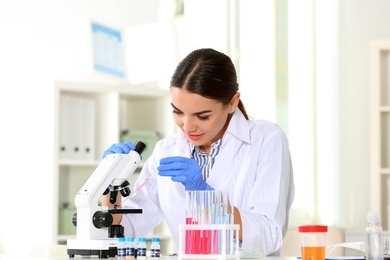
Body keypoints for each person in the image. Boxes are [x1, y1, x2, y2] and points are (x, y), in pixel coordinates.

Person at [102, 48, 295, 256]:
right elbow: (127, 227)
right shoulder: (166, 151)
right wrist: (107, 183)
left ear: (232, 102)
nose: (187, 126)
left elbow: (268, 235)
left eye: (202, 116)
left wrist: (206, 196)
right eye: (178, 112)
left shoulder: (266, 140)